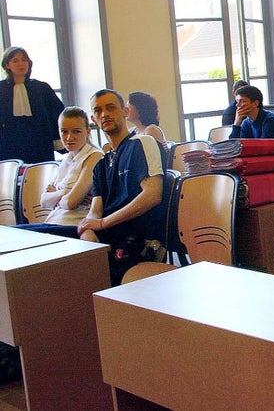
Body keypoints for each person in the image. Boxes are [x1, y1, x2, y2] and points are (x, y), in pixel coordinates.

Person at [79, 89, 168, 286]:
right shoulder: (101, 165)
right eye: (98, 111)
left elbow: (153, 194)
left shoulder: (142, 143)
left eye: (110, 108)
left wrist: (102, 224)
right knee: (37, 237)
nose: (104, 114)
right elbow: (95, 210)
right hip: (104, 237)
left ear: (125, 111)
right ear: (93, 119)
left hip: (134, 241)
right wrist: (88, 231)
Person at [14, 107, 104, 235]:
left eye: (76, 131)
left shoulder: (94, 156)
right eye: (64, 132)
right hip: (54, 221)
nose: (69, 137)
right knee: (10, 231)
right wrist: (65, 192)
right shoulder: (66, 158)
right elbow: (44, 201)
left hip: (74, 224)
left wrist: (57, 195)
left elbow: (71, 203)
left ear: (88, 132)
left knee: (16, 234)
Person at [0, 46, 64, 163]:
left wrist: (59, 139)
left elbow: (57, 114)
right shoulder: (1, 89)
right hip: (8, 144)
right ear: (7, 65)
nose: (21, 64)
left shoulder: (42, 88)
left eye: (24, 60)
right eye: (15, 60)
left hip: (39, 142)